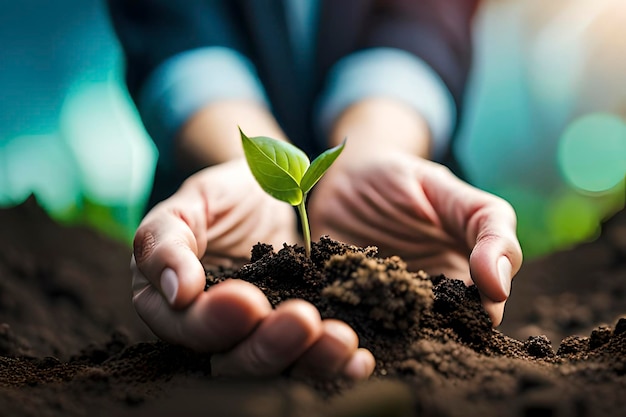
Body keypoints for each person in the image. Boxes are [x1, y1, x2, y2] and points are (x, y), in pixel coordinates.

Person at [108, 0, 522, 380]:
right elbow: (170, 20)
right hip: (203, 169)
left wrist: (376, 146)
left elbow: (427, 19)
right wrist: (234, 161)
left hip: (398, 149)